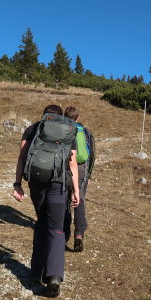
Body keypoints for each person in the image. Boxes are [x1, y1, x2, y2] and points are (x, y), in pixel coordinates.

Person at [13, 104, 80, 297]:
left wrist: (17, 184)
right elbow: (72, 162)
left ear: (44, 116)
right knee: (56, 227)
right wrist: (76, 191)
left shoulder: (33, 128)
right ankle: (53, 277)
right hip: (59, 184)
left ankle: (36, 271)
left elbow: (22, 158)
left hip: (36, 182)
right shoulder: (68, 130)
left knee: (41, 222)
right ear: (61, 118)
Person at [63, 106, 94, 252]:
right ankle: (79, 235)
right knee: (79, 199)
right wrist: (88, 173)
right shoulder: (85, 131)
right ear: (78, 118)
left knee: (65, 200)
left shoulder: (61, 129)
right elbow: (91, 152)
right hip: (81, 168)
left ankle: (63, 235)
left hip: (65, 167)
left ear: (64, 116)